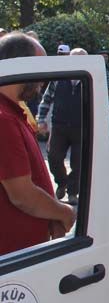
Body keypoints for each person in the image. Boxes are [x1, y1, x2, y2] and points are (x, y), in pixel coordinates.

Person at [0, 32, 77, 256]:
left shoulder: (13, 113)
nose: (43, 80)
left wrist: (50, 213)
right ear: (21, 66)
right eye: (39, 68)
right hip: (16, 260)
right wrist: (64, 212)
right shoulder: (4, 119)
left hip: (25, 255)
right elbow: (22, 195)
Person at [36, 47, 86, 205]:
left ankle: (72, 192)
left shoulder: (89, 80)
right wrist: (41, 119)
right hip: (59, 126)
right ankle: (61, 182)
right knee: (54, 158)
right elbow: (46, 100)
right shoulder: (58, 78)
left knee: (79, 163)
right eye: (74, 58)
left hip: (82, 128)